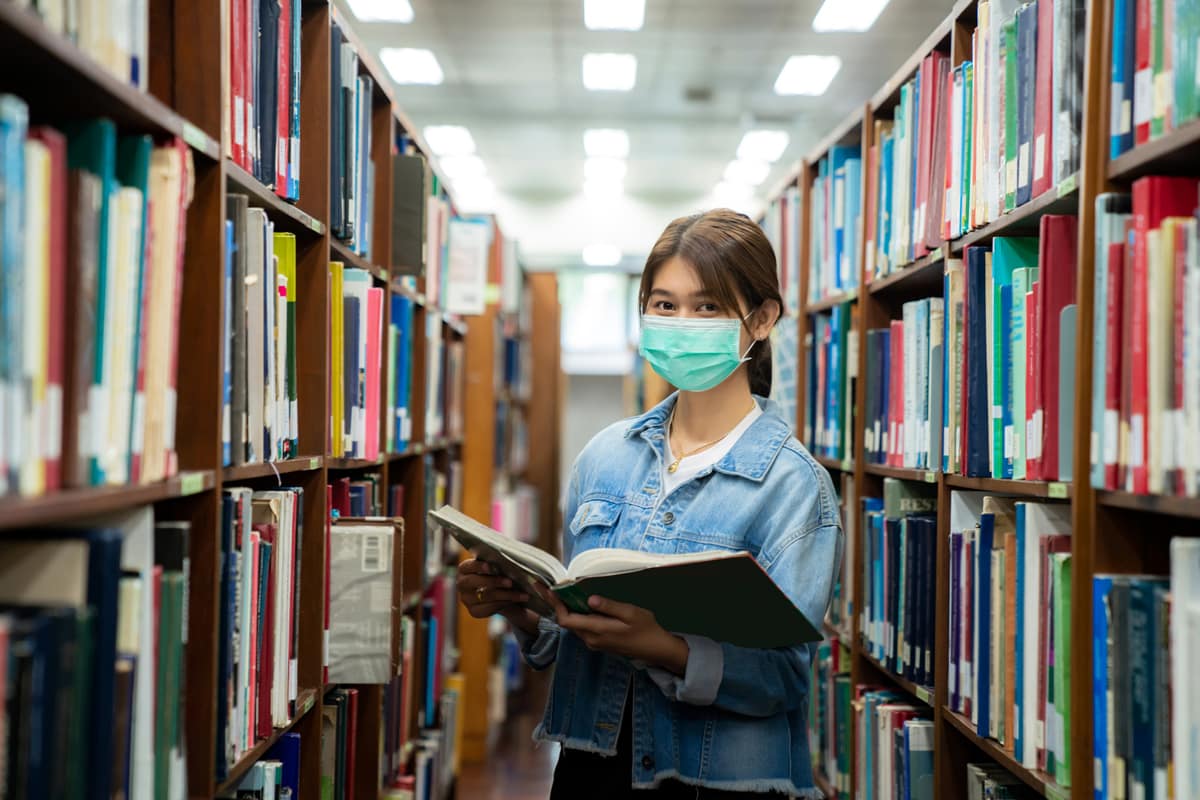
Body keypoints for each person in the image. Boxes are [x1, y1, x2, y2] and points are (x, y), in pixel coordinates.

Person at [456, 208, 843, 799]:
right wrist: (519, 608)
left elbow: (785, 678)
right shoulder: (604, 457)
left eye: (707, 306)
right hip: (590, 771)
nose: (681, 323)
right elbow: (576, 639)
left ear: (762, 319)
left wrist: (665, 648)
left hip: (714, 781)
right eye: (664, 305)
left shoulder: (794, 486)